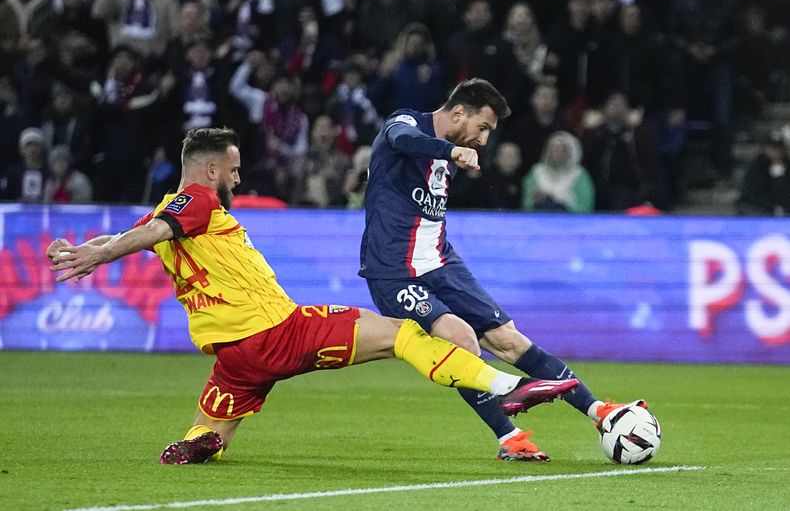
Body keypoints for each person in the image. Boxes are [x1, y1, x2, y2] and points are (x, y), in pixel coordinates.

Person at [46, 127, 579, 465]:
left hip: (233, 358)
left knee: (211, 433)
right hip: (280, 330)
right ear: (211, 169)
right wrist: (95, 258)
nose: (237, 176)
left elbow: (135, 236)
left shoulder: (170, 209)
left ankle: (200, 439)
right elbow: (152, 235)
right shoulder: (198, 201)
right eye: (233, 168)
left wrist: (87, 251)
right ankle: (508, 385)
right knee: (404, 334)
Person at [360, 78, 645, 462]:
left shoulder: (457, 151)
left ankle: (600, 413)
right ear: (458, 112)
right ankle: (510, 438)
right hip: (393, 271)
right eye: (483, 128)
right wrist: (451, 152)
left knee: (509, 340)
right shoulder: (406, 124)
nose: (483, 140)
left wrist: (454, 153)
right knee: (461, 339)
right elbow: (399, 139)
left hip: (441, 262)